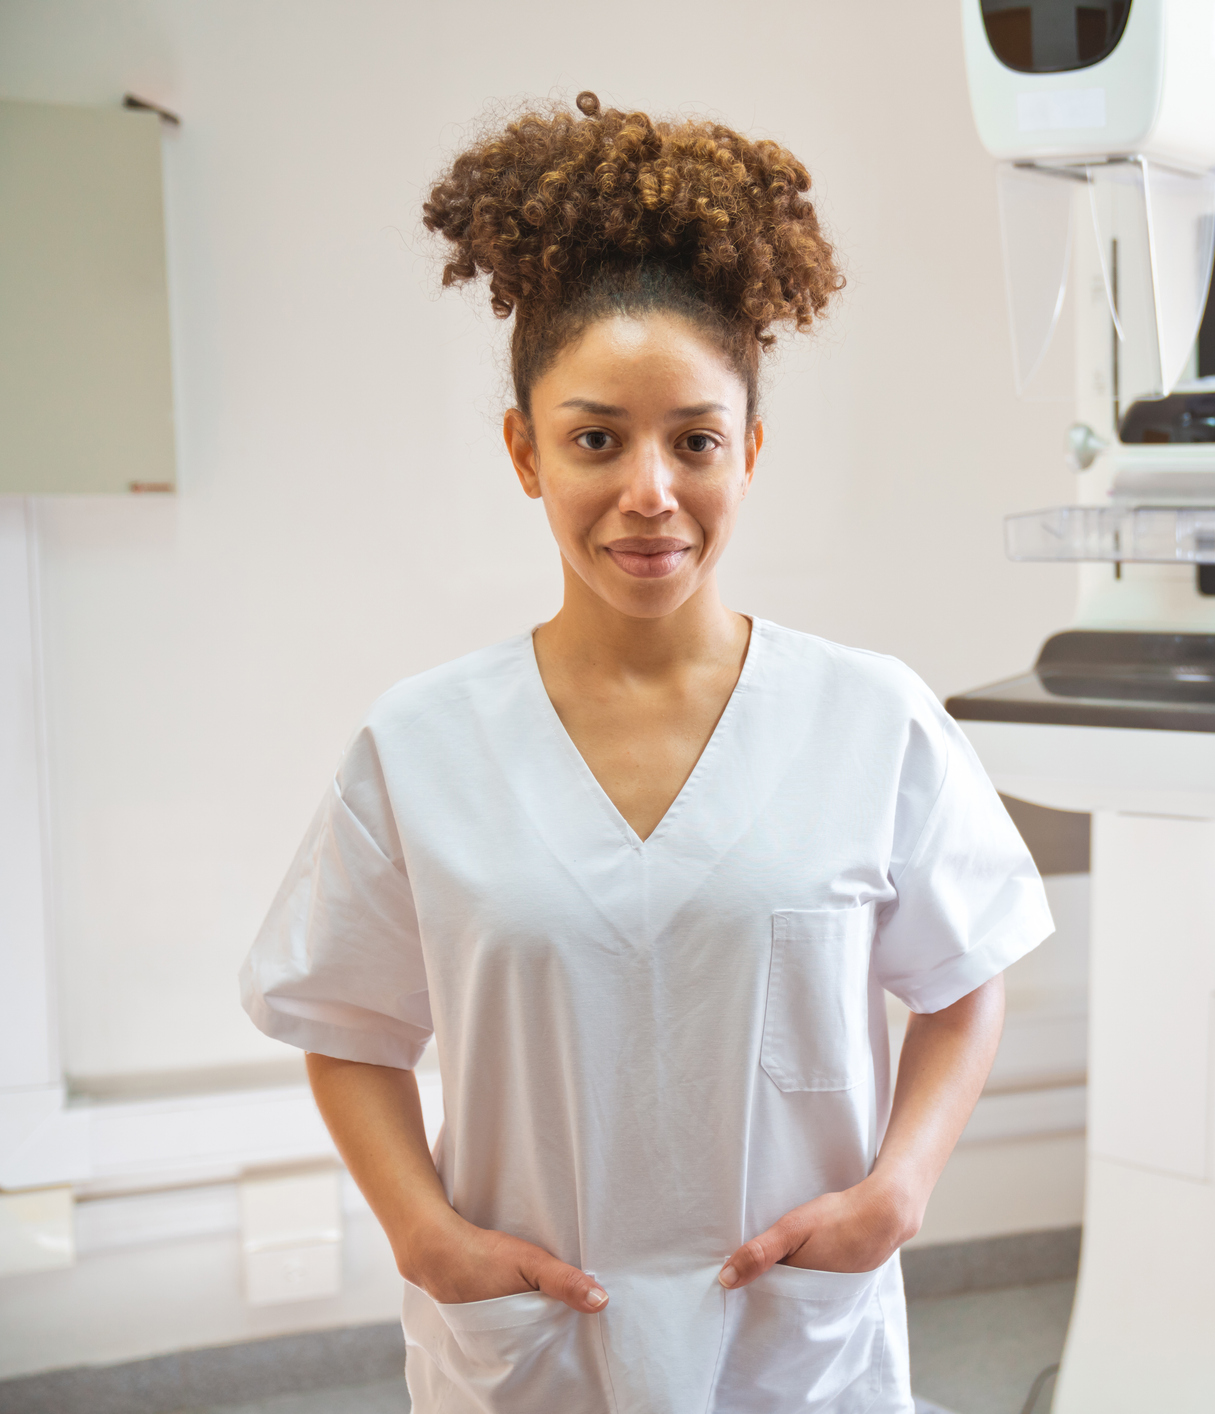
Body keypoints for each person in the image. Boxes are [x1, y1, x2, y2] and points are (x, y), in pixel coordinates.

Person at [239, 92, 1052, 1414]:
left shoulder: (872, 717)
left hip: (795, 1346)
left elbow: (966, 981)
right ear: (526, 449)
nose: (650, 492)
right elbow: (345, 1021)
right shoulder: (422, 745)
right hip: (534, 1347)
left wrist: (899, 1189)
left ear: (751, 449)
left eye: (695, 440)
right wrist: (422, 1233)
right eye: (596, 437)